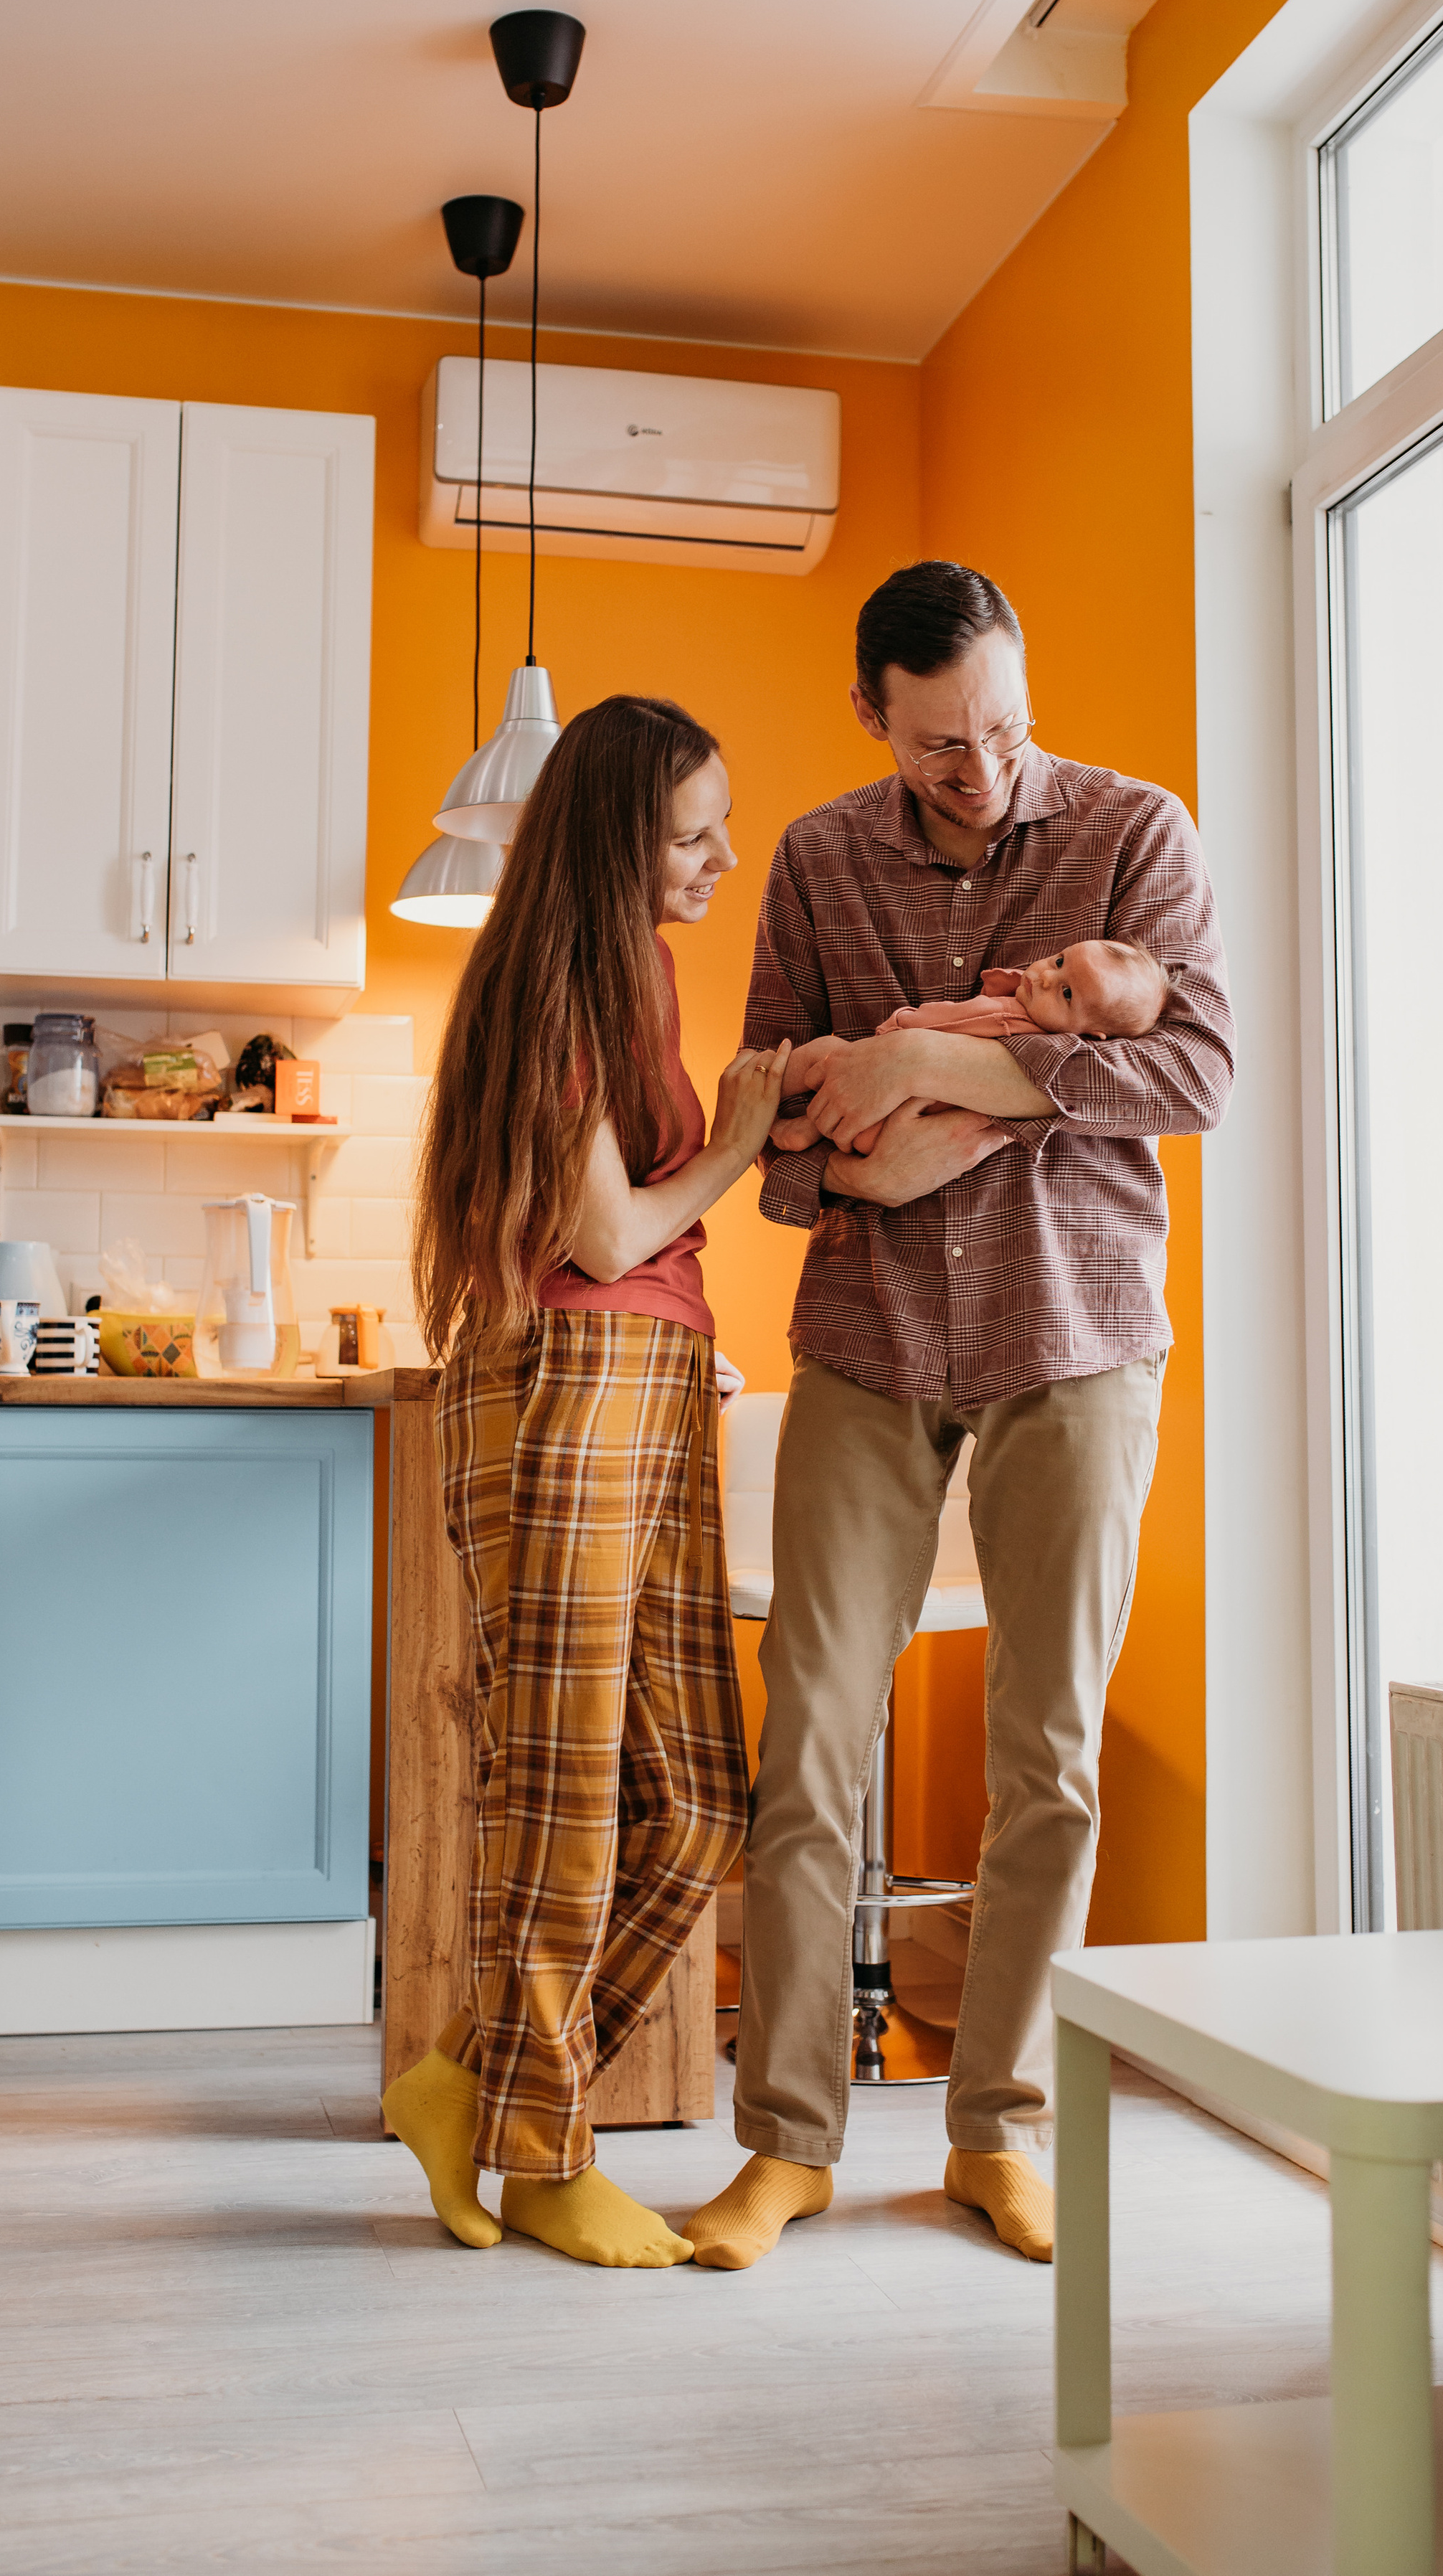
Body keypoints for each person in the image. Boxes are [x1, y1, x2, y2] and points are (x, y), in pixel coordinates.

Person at [681, 562, 1233, 2273]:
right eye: (937, 744)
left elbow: (1200, 1071)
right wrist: (858, 1150)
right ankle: (783, 2142)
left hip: (1072, 1332)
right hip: (865, 1332)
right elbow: (769, 1140)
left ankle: (995, 2131)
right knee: (808, 1747)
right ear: (873, 718)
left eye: (997, 725)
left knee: (1042, 1754)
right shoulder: (816, 856)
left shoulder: (1134, 834)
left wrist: (945, 1077)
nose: (979, 769)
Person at [387, 693, 792, 2270]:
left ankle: (470, 2087)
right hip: (568, 1381)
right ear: (620, 842)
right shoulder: (557, 978)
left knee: (695, 1807)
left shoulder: (635, 969)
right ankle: (541, 2154)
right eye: (691, 836)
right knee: (557, 1797)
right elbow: (605, 1238)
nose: (719, 859)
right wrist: (742, 1139)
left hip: (652, 1381)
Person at [770, 939, 1170, 1155]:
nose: (1047, 977)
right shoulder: (1029, 1013)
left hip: (891, 1121)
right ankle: (787, 1113)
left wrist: (901, 1029)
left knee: (825, 1052)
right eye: (1061, 961)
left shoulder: (1016, 1027)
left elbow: (950, 1026)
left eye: (1066, 994)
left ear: (1092, 1035)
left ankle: (774, 1096)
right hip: (894, 1119)